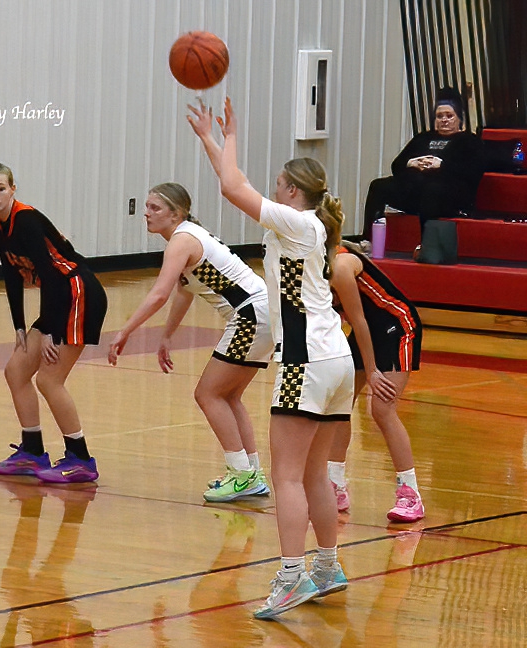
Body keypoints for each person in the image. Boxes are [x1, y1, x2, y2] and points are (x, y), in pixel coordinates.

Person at [190, 98, 353, 619]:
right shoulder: (309, 225)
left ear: (292, 190)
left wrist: (230, 136)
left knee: (286, 477)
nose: (272, 189)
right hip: (337, 360)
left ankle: (290, 576)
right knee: (313, 474)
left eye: (278, 183)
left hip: (305, 362)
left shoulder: (297, 222)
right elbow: (233, 181)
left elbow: (233, 188)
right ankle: (326, 567)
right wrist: (210, 140)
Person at [107, 182, 273, 501]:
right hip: (261, 314)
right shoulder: (188, 237)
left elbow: (159, 294)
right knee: (229, 396)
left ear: (176, 213)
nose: (146, 213)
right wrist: (167, 335)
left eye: (155, 207)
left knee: (208, 394)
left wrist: (125, 331)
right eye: (147, 206)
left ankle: (242, 475)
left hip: (251, 315)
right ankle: (251, 472)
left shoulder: (182, 240)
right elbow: (185, 291)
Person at [0, 163, 107, 484]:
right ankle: (33, 452)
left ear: (13, 189)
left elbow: (50, 275)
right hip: (57, 299)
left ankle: (81, 459)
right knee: (16, 371)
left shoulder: (25, 220)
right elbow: (10, 271)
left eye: (0, 189)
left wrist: (49, 331)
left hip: (78, 293)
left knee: (50, 380)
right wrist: (19, 325)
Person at [327, 240, 425, 522]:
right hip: (367, 331)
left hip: (397, 327)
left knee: (382, 409)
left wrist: (371, 371)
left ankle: (410, 494)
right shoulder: (312, 264)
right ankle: (335, 485)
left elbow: (359, 321)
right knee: (338, 405)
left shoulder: (340, 266)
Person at [361, 87, 485, 240]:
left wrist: (442, 165)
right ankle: (367, 239)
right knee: (378, 186)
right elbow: (396, 165)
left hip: (447, 195)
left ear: (459, 118)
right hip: (414, 191)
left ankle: (426, 243)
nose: (444, 120)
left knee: (431, 190)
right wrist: (411, 163)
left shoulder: (469, 141)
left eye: (449, 116)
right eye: (439, 116)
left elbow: (472, 172)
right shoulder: (423, 138)